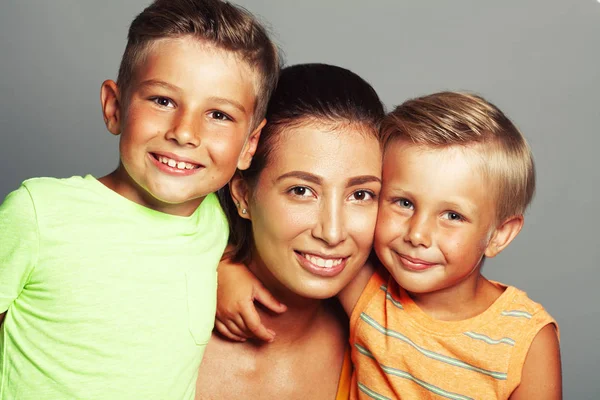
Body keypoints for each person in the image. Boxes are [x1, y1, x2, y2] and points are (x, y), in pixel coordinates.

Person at [0, 0, 279, 398]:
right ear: (115, 108)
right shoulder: (39, 213)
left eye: (218, 115)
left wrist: (227, 270)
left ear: (250, 144)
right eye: (163, 101)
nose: (185, 132)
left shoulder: (218, 225)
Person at [217, 92, 562, 399]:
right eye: (403, 203)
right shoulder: (370, 294)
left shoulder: (526, 340)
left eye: (453, 216)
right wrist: (225, 266)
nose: (417, 234)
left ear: (500, 234)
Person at [195, 63, 385, 400]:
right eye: (301, 191)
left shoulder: (385, 346)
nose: (332, 232)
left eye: (360, 195)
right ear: (243, 195)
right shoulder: (158, 312)